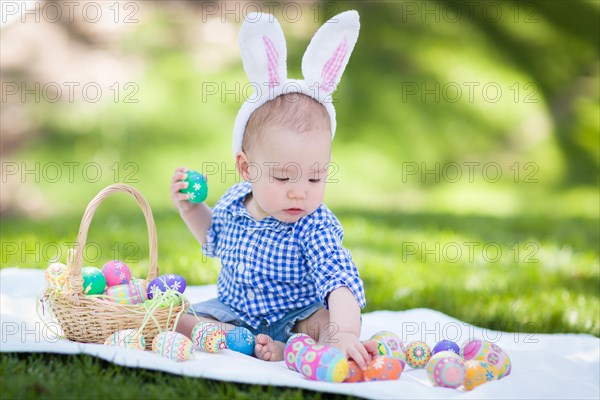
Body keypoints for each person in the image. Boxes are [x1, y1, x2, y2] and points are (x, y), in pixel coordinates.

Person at [171, 10, 377, 369]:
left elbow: (339, 279)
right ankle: (235, 339)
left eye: (315, 178)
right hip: (234, 310)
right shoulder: (235, 202)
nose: (300, 192)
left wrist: (343, 332)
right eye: (284, 178)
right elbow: (214, 237)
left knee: (322, 325)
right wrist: (190, 209)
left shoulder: (315, 224)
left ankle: (293, 347)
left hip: (296, 316)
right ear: (246, 168)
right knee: (177, 316)